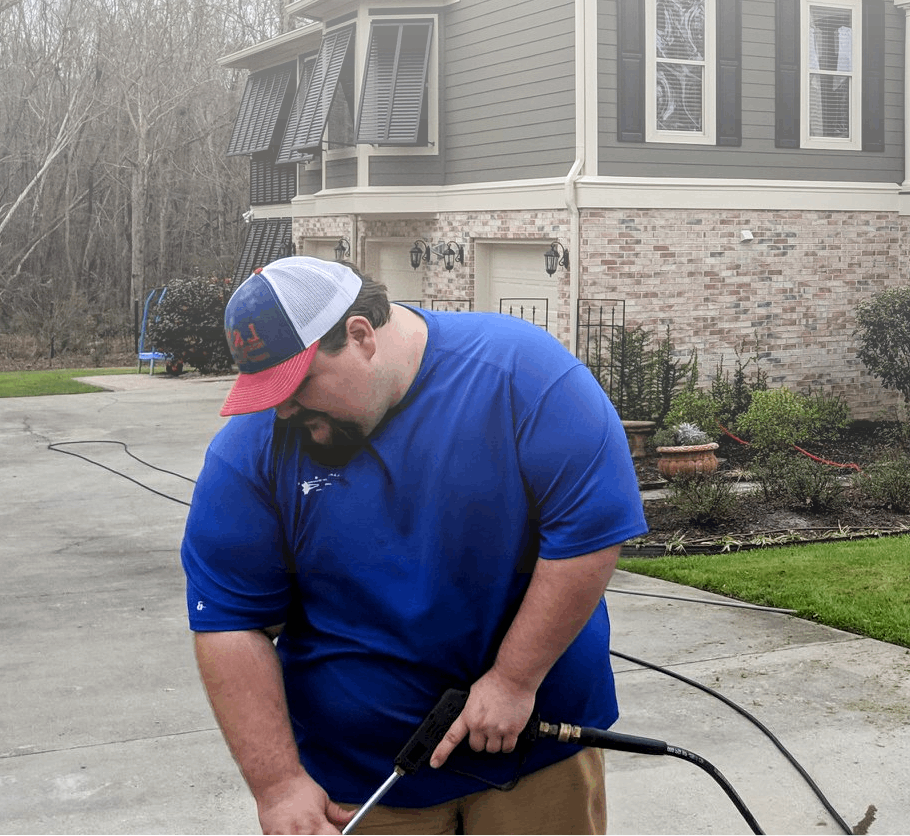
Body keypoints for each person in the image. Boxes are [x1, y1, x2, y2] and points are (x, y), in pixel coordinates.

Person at [181, 256, 647, 835]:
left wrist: (513, 679)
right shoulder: (250, 451)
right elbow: (231, 622)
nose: (282, 409)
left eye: (296, 384)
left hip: (535, 753)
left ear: (360, 336)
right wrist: (277, 785)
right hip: (361, 782)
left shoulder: (522, 376)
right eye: (266, 389)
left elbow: (587, 534)